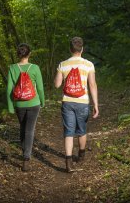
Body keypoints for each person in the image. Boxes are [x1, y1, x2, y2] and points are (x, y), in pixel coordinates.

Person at [54, 37, 99, 172]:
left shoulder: (63, 64)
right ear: (82, 49)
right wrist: (96, 104)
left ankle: (68, 163)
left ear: (70, 49)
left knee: (69, 131)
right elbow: (92, 84)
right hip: (83, 102)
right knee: (82, 130)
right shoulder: (88, 64)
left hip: (67, 102)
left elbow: (57, 85)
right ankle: (81, 154)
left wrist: (58, 73)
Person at [6, 43, 45, 172]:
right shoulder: (35, 68)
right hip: (34, 103)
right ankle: (26, 157)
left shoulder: (12, 68)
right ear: (29, 54)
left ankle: (25, 152)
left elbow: (9, 90)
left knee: (23, 128)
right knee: (30, 130)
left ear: (18, 54)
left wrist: (11, 106)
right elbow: (39, 87)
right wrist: (43, 101)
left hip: (19, 104)